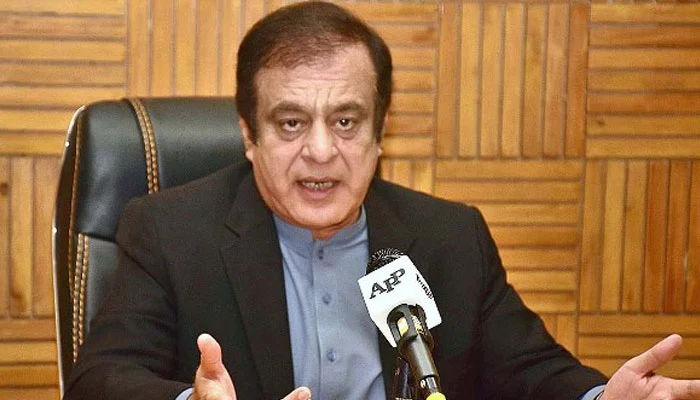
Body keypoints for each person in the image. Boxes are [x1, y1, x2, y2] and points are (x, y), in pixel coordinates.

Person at [63, 2, 699, 400]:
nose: (320, 151)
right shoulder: (171, 233)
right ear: (249, 135)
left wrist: (601, 399)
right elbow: (101, 380)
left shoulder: (450, 237)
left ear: (379, 133)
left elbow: (530, 370)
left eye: (346, 121)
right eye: (290, 123)